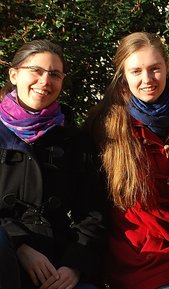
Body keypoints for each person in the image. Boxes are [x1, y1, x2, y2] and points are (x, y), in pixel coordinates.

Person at [85, 32, 169, 289]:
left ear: (166, 68)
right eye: (136, 71)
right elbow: (91, 197)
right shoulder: (105, 123)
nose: (147, 79)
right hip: (132, 246)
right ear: (123, 74)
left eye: (154, 69)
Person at [0, 39, 106, 289]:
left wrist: (74, 266)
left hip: (56, 263)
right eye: (36, 71)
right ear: (14, 74)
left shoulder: (74, 141)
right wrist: (18, 245)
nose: (45, 81)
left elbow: (93, 214)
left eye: (54, 74)